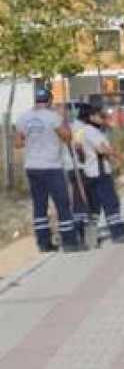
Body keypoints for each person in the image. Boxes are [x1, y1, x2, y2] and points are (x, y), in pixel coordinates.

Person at [15, 89, 85, 253]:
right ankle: (69, 242)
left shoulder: (24, 117)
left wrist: (34, 139)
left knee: (39, 205)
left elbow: (18, 143)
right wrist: (64, 121)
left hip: (32, 167)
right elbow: (67, 137)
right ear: (49, 101)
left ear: (36, 101)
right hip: (51, 166)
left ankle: (43, 243)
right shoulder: (53, 117)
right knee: (62, 203)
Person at [79, 106, 124, 244]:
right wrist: (119, 156)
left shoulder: (85, 131)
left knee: (94, 206)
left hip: (91, 172)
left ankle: (90, 237)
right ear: (91, 117)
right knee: (110, 203)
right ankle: (118, 233)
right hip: (99, 173)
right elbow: (102, 149)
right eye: (100, 116)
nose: (103, 118)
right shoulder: (91, 131)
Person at [62, 102, 93, 244]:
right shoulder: (75, 127)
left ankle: (80, 228)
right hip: (73, 167)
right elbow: (80, 148)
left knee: (77, 198)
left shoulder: (74, 127)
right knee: (79, 198)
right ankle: (80, 229)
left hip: (74, 167)